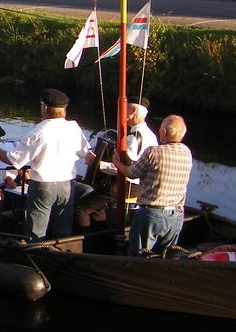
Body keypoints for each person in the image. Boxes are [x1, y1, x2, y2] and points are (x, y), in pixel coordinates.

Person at [0, 89, 90, 241]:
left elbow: (15, 160)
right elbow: (85, 153)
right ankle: (60, 256)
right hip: (67, 184)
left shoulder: (39, 132)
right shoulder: (74, 127)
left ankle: (35, 258)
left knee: (36, 230)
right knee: (63, 229)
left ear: (44, 107)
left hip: (43, 185)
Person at [112, 114, 193, 256]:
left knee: (139, 255)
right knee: (166, 256)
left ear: (164, 132)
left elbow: (131, 173)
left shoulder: (153, 152)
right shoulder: (187, 152)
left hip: (152, 215)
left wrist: (117, 162)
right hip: (176, 216)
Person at [76, 102, 158, 231]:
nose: (121, 112)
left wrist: (96, 163)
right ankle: (101, 235)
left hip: (126, 186)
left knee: (81, 208)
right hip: (141, 186)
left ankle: (82, 243)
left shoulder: (133, 139)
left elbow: (127, 168)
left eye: (125, 109)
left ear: (133, 111)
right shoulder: (151, 135)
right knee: (97, 207)